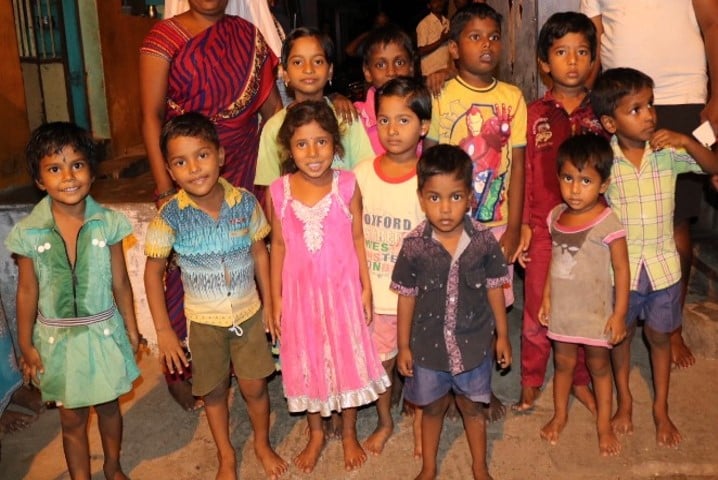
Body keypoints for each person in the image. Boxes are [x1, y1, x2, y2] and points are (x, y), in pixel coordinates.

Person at [140, 0, 282, 410]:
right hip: (187, 165)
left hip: (243, 160)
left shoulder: (249, 36)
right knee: (182, 270)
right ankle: (186, 370)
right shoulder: (163, 37)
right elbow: (151, 117)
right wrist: (166, 186)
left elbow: (274, 113)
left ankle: (250, 362)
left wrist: (283, 174)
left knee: (247, 257)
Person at [143, 113, 287, 480]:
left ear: (221, 155)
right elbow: (153, 272)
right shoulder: (170, 217)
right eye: (180, 162)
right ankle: (225, 454)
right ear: (171, 172)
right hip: (204, 323)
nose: (194, 168)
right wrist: (163, 330)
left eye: (201, 155)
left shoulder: (245, 203)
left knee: (255, 386)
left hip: (250, 313)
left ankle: (261, 443)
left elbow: (260, 252)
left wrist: (271, 303)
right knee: (215, 391)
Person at [580, 0, 718, 369]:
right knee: (617, 216)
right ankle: (621, 308)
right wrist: (585, 101)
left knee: (676, 220)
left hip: (680, 95)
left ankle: (670, 326)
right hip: (618, 99)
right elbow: (594, 40)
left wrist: (717, 94)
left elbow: (712, 23)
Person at [590, 67, 718, 447]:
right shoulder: (605, 163)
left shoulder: (668, 154)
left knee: (661, 339)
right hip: (621, 274)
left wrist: (687, 141)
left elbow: (712, 167)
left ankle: (661, 408)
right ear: (610, 123)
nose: (648, 115)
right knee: (622, 338)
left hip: (663, 269)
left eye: (650, 105)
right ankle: (625, 401)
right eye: (636, 109)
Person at [6, 122, 140, 479]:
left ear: (92, 171)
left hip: (103, 332)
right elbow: (27, 291)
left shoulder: (108, 223)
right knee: (71, 418)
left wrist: (132, 327)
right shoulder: (29, 233)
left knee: (110, 407)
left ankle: (112, 465)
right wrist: (25, 344)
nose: (68, 176)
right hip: (58, 342)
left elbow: (121, 282)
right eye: (54, 168)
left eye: (77, 165)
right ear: (39, 180)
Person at [267, 100, 390, 473]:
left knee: (346, 357)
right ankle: (316, 433)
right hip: (301, 297)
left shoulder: (347, 185)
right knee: (308, 362)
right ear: (289, 148)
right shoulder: (279, 191)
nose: (313, 153)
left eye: (321, 142)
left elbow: (358, 239)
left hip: (342, 294)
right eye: (302, 144)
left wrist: (366, 287)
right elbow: (280, 246)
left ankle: (349, 431)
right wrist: (275, 298)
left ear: (335, 144)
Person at [424, 2, 527, 420]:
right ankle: (446, 388)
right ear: (453, 48)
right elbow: (428, 160)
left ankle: (478, 388)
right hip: (450, 225)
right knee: (447, 307)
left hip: (495, 223)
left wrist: (515, 227)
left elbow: (518, 165)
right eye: (474, 37)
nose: (486, 45)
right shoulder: (441, 94)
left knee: (488, 309)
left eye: (493, 37)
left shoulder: (513, 97)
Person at [392, 144, 511, 480]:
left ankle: (479, 467)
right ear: (421, 197)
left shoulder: (484, 241)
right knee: (431, 409)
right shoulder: (414, 245)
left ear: (470, 197)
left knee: (474, 409)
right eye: (434, 198)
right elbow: (406, 298)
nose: (445, 209)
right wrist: (403, 346)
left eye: (455, 197)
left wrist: (502, 335)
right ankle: (429, 467)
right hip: (427, 350)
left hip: (473, 347)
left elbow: (494, 288)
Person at [514, 11, 605, 414]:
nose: (572, 61)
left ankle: (580, 379)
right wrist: (524, 229)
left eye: (582, 52)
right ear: (544, 62)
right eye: (562, 52)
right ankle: (532, 378)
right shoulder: (533, 115)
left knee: (584, 307)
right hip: (542, 229)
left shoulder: (603, 116)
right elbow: (527, 172)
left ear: (593, 59)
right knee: (537, 308)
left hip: (590, 230)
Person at [536, 134, 629, 456]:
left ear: (603, 184)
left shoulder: (608, 221)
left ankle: (603, 425)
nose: (575, 189)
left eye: (586, 180)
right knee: (562, 364)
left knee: (599, 368)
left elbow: (623, 271)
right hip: (564, 311)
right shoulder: (556, 217)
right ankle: (559, 415)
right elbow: (553, 263)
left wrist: (618, 315)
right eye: (568, 178)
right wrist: (547, 298)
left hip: (596, 314)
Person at [353, 76, 431, 457]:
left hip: (416, 300)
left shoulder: (428, 179)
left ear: (424, 127)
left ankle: (420, 424)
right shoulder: (362, 173)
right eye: (384, 120)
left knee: (421, 369)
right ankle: (385, 421)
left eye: (404, 120)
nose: (392, 130)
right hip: (375, 297)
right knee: (381, 369)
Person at [254, 27, 375, 190]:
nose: (309, 69)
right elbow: (270, 190)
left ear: (330, 70)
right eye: (298, 62)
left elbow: (365, 175)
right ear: (285, 72)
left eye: (318, 61)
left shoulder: (346, 117)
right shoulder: (274, 128)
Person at [354, 24, 416, 156]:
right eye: (380, 65)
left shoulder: (422, 110)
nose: (391, 72)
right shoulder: (356, 117)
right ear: (367, 72)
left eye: (399, 62)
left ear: (411, 67)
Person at [416, 0, 451, 77]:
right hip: (431, 73)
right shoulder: (424, 24)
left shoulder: (447, 22)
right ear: (429, 5)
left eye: (440, 1)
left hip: (446, 71)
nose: (439, 3)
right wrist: (441, 41)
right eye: (435, 1)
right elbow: (421, 51)